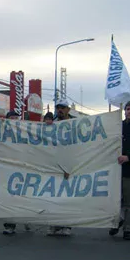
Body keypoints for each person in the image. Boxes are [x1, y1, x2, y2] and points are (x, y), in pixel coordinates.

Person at [108, 101, 130, 240]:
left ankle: (129, 229)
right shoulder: (118, 127)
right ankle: (116, 222)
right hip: (115, 169)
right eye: (127, 109)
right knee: (114, 199)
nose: (129, 111)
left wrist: (129, 157)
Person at [47, 99, 74, 236]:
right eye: (58, 107)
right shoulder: (51, 124)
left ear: (68, 109)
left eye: (63, 107)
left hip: (69, 164)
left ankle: (67, 225)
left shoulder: (75, 123)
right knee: (53, 197)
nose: (60, 110)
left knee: (67, 198)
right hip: (54, 165)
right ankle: (55, 224)